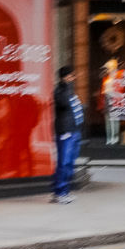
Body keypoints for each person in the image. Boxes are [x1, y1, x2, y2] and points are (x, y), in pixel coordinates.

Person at [51, 65, 85, 204]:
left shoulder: (69, 91)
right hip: (65, 132)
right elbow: (63, 103)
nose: (73, 79)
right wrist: (66, 85)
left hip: (74, 131)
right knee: (64, 163)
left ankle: (64, 191)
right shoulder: (60, 91)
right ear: (64, 77)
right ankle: (60, 192)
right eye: (71, 76)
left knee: (69, 163)